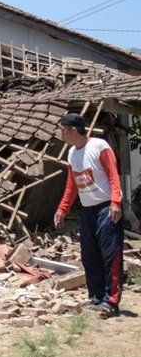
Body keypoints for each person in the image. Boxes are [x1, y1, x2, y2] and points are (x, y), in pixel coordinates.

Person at [54, 112, 123, 317]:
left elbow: (113, 175)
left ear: (73, 130)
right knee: (90, 256)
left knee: (111, 256)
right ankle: (95, 297)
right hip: (88, 211)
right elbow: (71, 185)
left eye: (62, 130)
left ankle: (111, 302)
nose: (61, 134)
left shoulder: (99, 146)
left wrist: (116, 203)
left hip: (106, 208)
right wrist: (62, 208)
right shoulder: (71, 154)